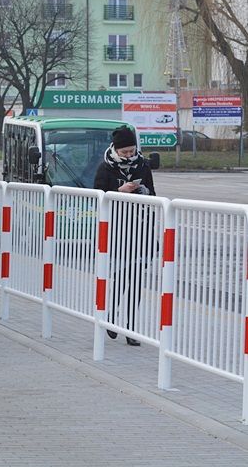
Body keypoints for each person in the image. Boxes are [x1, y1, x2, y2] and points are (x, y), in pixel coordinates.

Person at [93, 125, 156, 347]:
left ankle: (130, 328)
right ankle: (111, 317)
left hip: (141, 229)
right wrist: (119, 192)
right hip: (118, 230)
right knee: (121, 277)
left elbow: (153, 194)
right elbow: (97, 196)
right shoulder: (105, 167)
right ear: (116, 150)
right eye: (125, 152)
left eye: (132, 151)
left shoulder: (143, 166)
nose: (129, 155)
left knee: (136, 280)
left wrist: (143, 191)